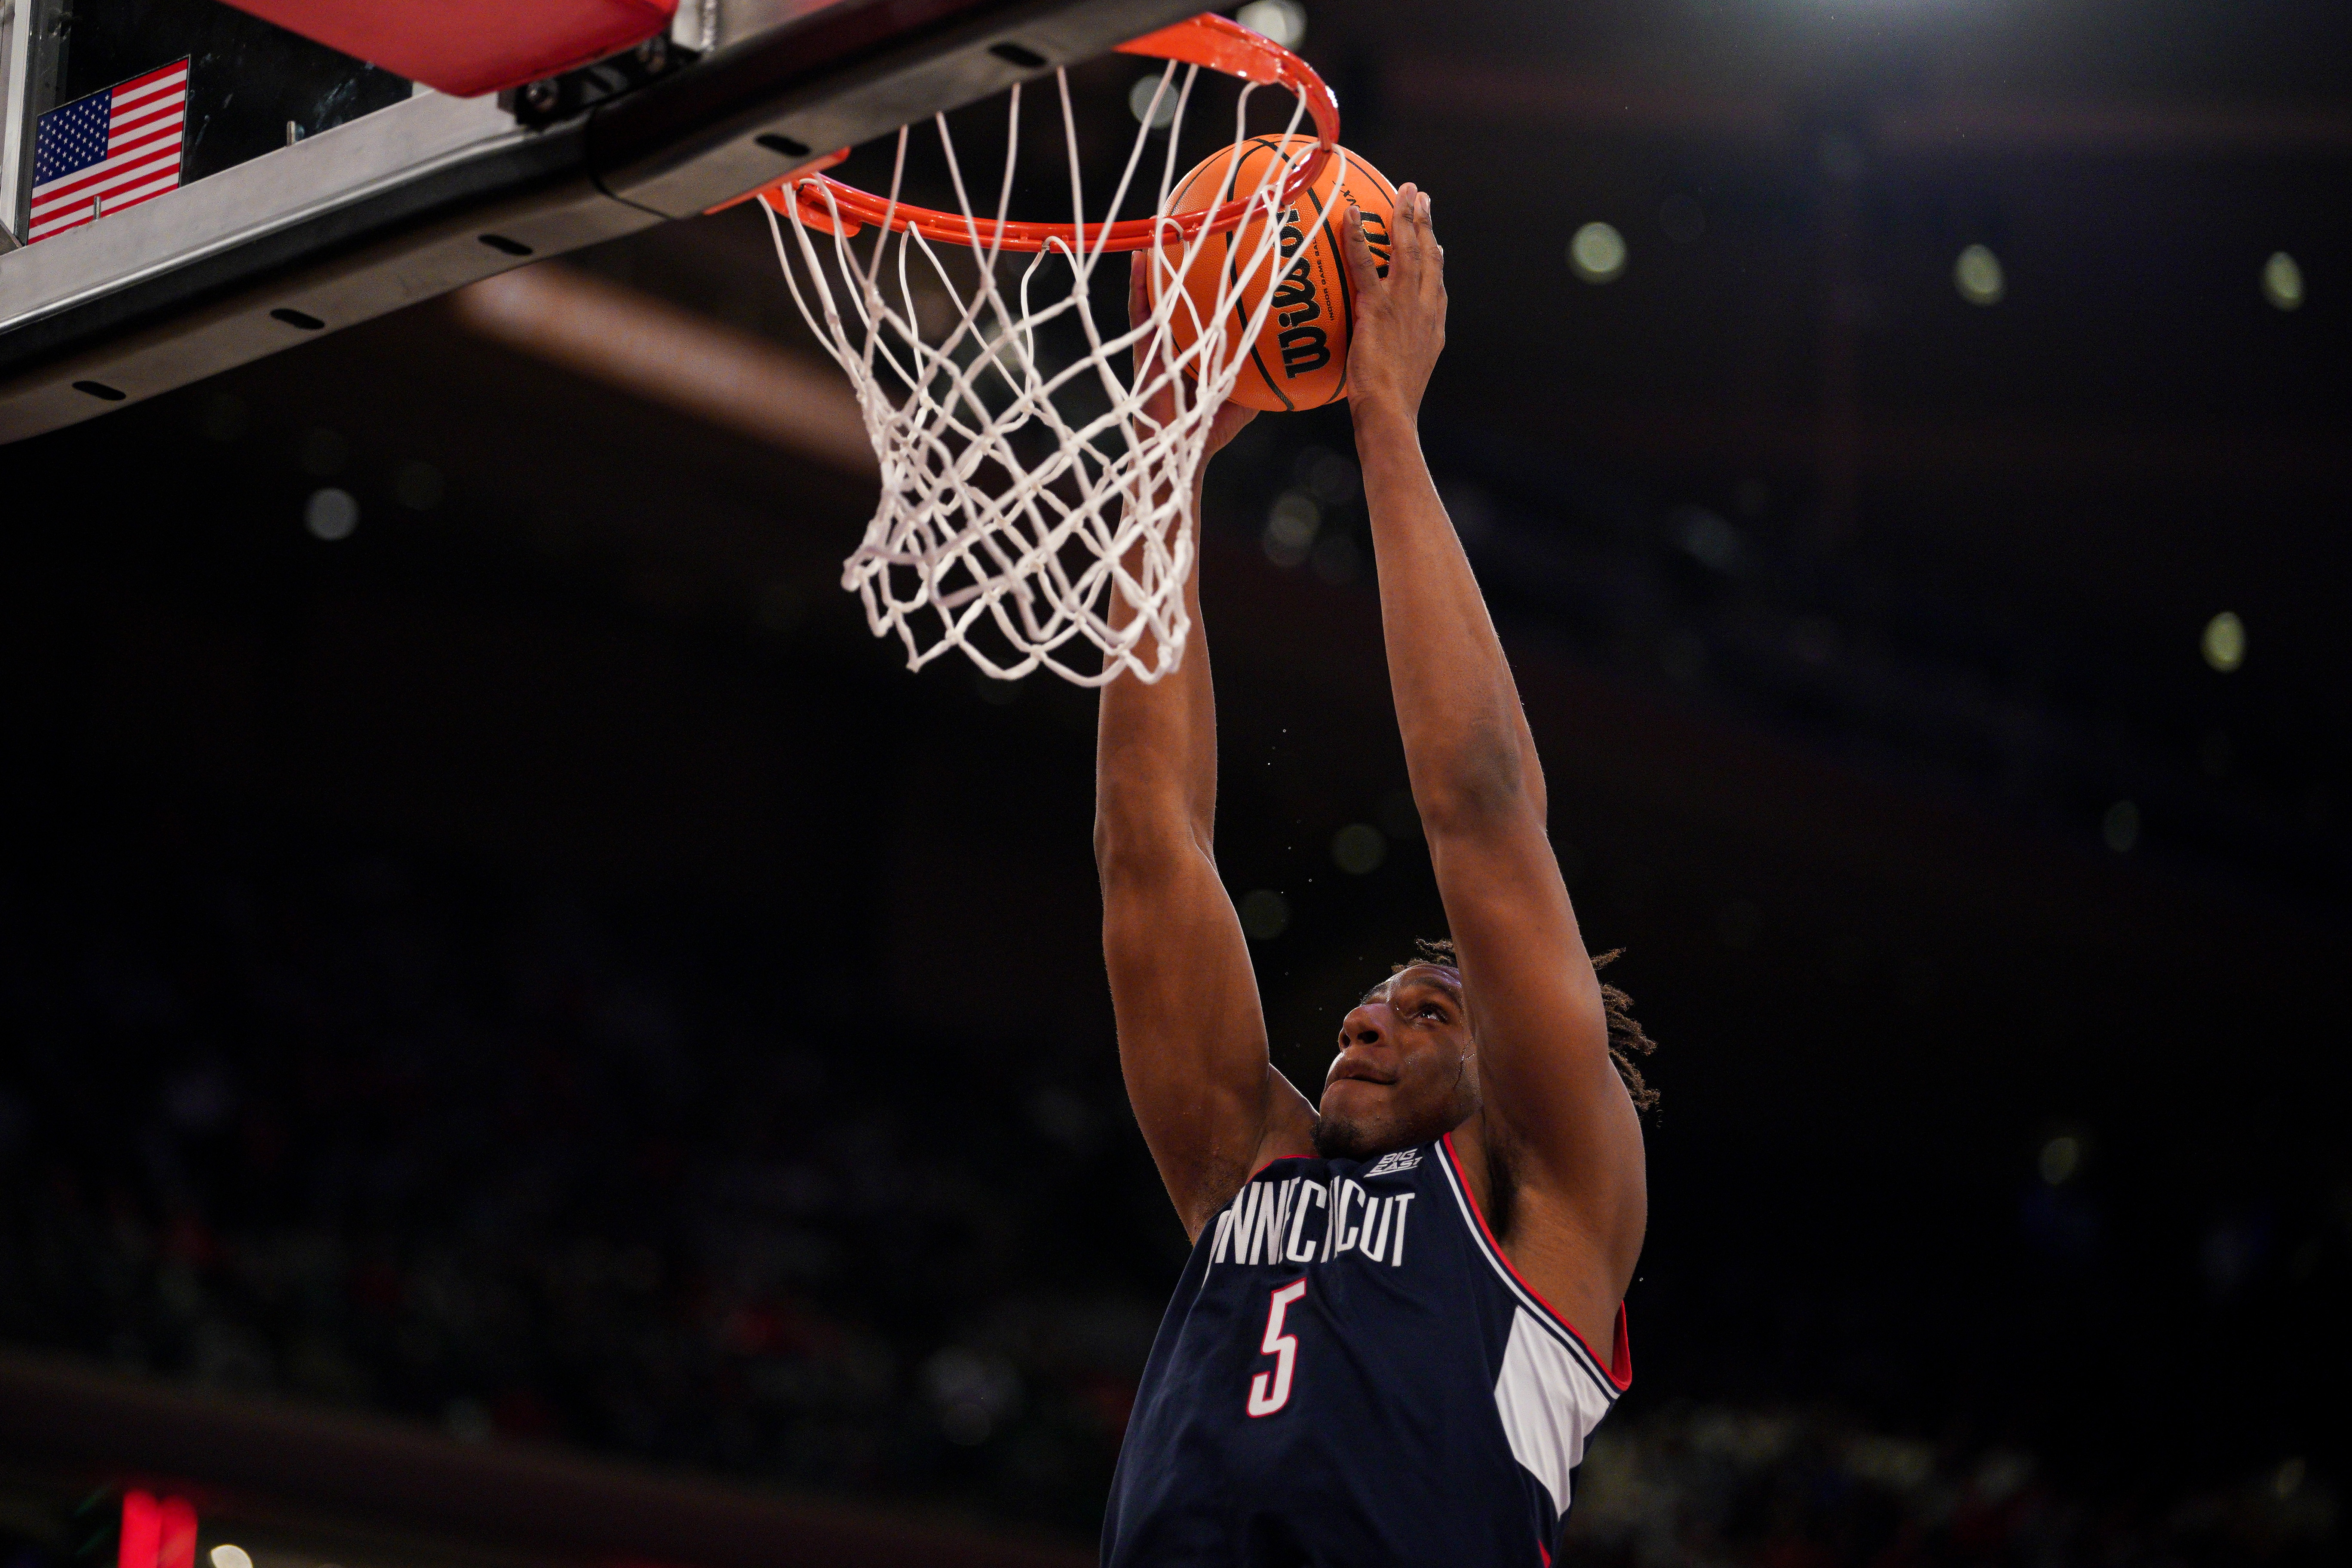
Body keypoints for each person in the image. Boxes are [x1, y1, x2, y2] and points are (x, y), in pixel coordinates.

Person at [1094, 183, 1658, 1567]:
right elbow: (1151, 845)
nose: (1361, 1019)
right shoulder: (1253, 1172)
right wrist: (1160, 462)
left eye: (1428, 1012)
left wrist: (1386, 420)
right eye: (1378, 1000)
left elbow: (1481, 812)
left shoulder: (1551, 1204)